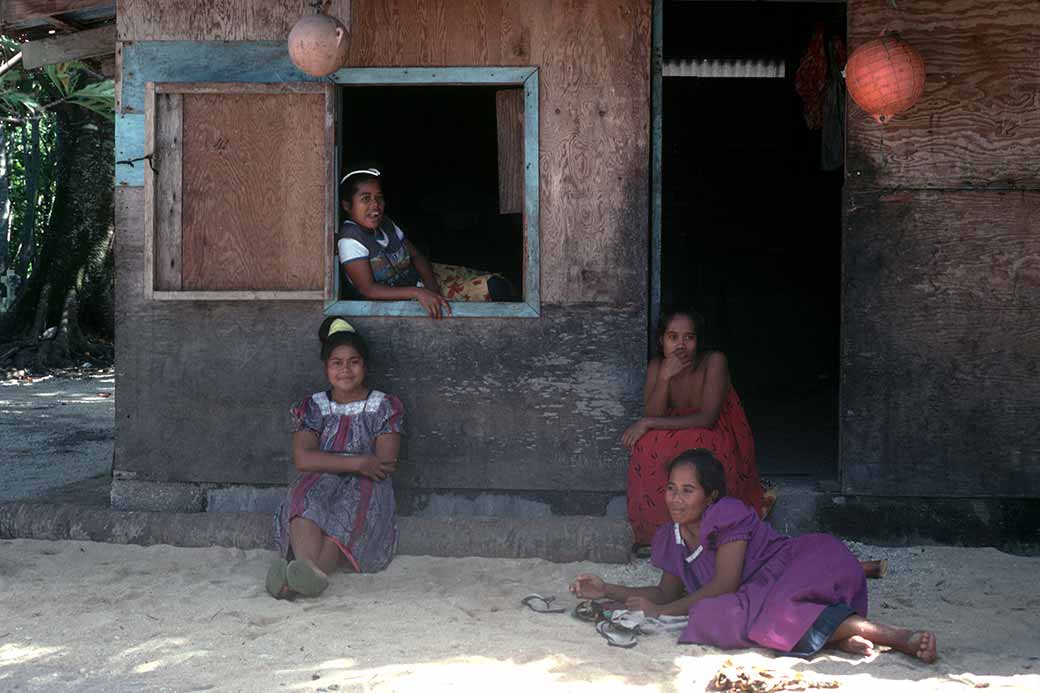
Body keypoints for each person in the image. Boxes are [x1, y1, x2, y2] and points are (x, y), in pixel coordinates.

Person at [570, 450, 937, 663]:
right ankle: (833, 637)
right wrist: (607, 589)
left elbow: (725, 584)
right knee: (711, 616)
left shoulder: (726, 515)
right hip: (753, 596)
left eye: (687, 490)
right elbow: (666, 593)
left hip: (797, 566)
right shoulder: (672, 536)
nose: (675, 499)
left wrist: (660, 614)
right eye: (670, 489)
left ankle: (896, 636)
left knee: (763, 612)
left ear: (711, 497)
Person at [266, 317, 404, 599]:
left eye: (354, 362)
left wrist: (345, 464)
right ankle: (305, 566)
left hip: (368, 482)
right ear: (326, 367)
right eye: (336, 363)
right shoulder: (313, 407)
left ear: (365, 365)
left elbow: (383, 463)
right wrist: (358, 462)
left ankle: (304, 575)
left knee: (352, 508)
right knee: (304, 497)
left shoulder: (384, 406)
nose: (345, 370)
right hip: (325, 477)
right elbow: (304, 459)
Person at [623, 307, 765, 546]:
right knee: (645, 445)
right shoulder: (658, 366)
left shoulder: (714, 362)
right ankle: (657, 533)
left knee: (698, 444)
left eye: (689, 337)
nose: (681, 345)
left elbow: (707, 418)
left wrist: (647, 423)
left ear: (698, 341)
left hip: (712, 430)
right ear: (661, 340)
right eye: (673, 337)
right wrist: (665, 378)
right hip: (673, 428)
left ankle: (705, 530)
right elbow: (653, 413)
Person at [336, 167, 513, 319]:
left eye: (379, 197)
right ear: (347, 205)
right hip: (398, 298)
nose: (375, 205)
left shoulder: (385, 223)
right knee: (491, 289)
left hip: (422, 279)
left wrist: (432, 289)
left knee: (496, 281)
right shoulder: (350, 240)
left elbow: (415, 255)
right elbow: (368, 289)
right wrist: (418, 292)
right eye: (365, 198)